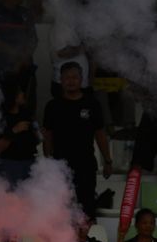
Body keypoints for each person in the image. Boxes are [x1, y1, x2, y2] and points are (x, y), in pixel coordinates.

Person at [42, 61, 112, 217]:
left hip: (85, 165)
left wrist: (107, 161)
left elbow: (100, 134)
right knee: (60, 209)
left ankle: (88, 240)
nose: (71, 81)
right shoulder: (52, 106)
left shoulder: (92, 104)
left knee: (86, 208)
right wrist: (47, 163)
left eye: (74, 77)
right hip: (60, 166)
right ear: (60, 80)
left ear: (82, 79)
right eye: (67, 78)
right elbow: (48, 136)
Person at [0, 81, 39, 186]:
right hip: (10, 165)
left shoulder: (26, 113)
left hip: (30, 162)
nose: (23, 93)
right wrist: (14, 130)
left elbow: (37, 138)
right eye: (19, 92)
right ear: (12, 96)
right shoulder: (0, 119)